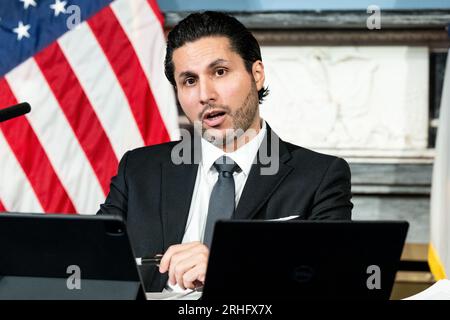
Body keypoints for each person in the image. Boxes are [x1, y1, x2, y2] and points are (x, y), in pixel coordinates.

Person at [97, 11, 353, 293]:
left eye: (219, 72)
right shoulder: (139, 169)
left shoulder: (320, 176)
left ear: (256, 75)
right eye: (189, 81)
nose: (205, 94)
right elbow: (91, 259)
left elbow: (330, 286)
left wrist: (227, 270)